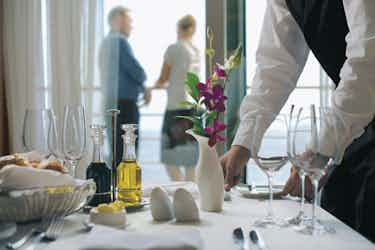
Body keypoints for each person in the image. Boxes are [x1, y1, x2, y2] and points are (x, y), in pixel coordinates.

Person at [221, 0, 375, 242]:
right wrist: (243, 143)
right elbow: (275, 66)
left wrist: (319, 152)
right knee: (338, 207)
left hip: (364, 102)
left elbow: (367, 62)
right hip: (361, 117)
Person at [150, 15, 200, 182]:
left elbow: (163, 78)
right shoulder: (196, 51)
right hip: (193, 108)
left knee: (169, 157)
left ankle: (180, 190)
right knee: (191, 160)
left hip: (175, 108)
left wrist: (150, 88)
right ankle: (191, 195)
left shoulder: (174, 48)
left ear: (179, 28)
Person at [99, 6, 151, 162]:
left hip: (110, 102)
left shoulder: (105, 43)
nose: (131, 25)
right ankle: (125, 186)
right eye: (128, 20)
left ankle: (115, 185)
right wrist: (144, 85)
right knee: (128, 152)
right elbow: (135, 70)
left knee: (116, 149)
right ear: (117, 20)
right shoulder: (119, 41)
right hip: (125, 105)